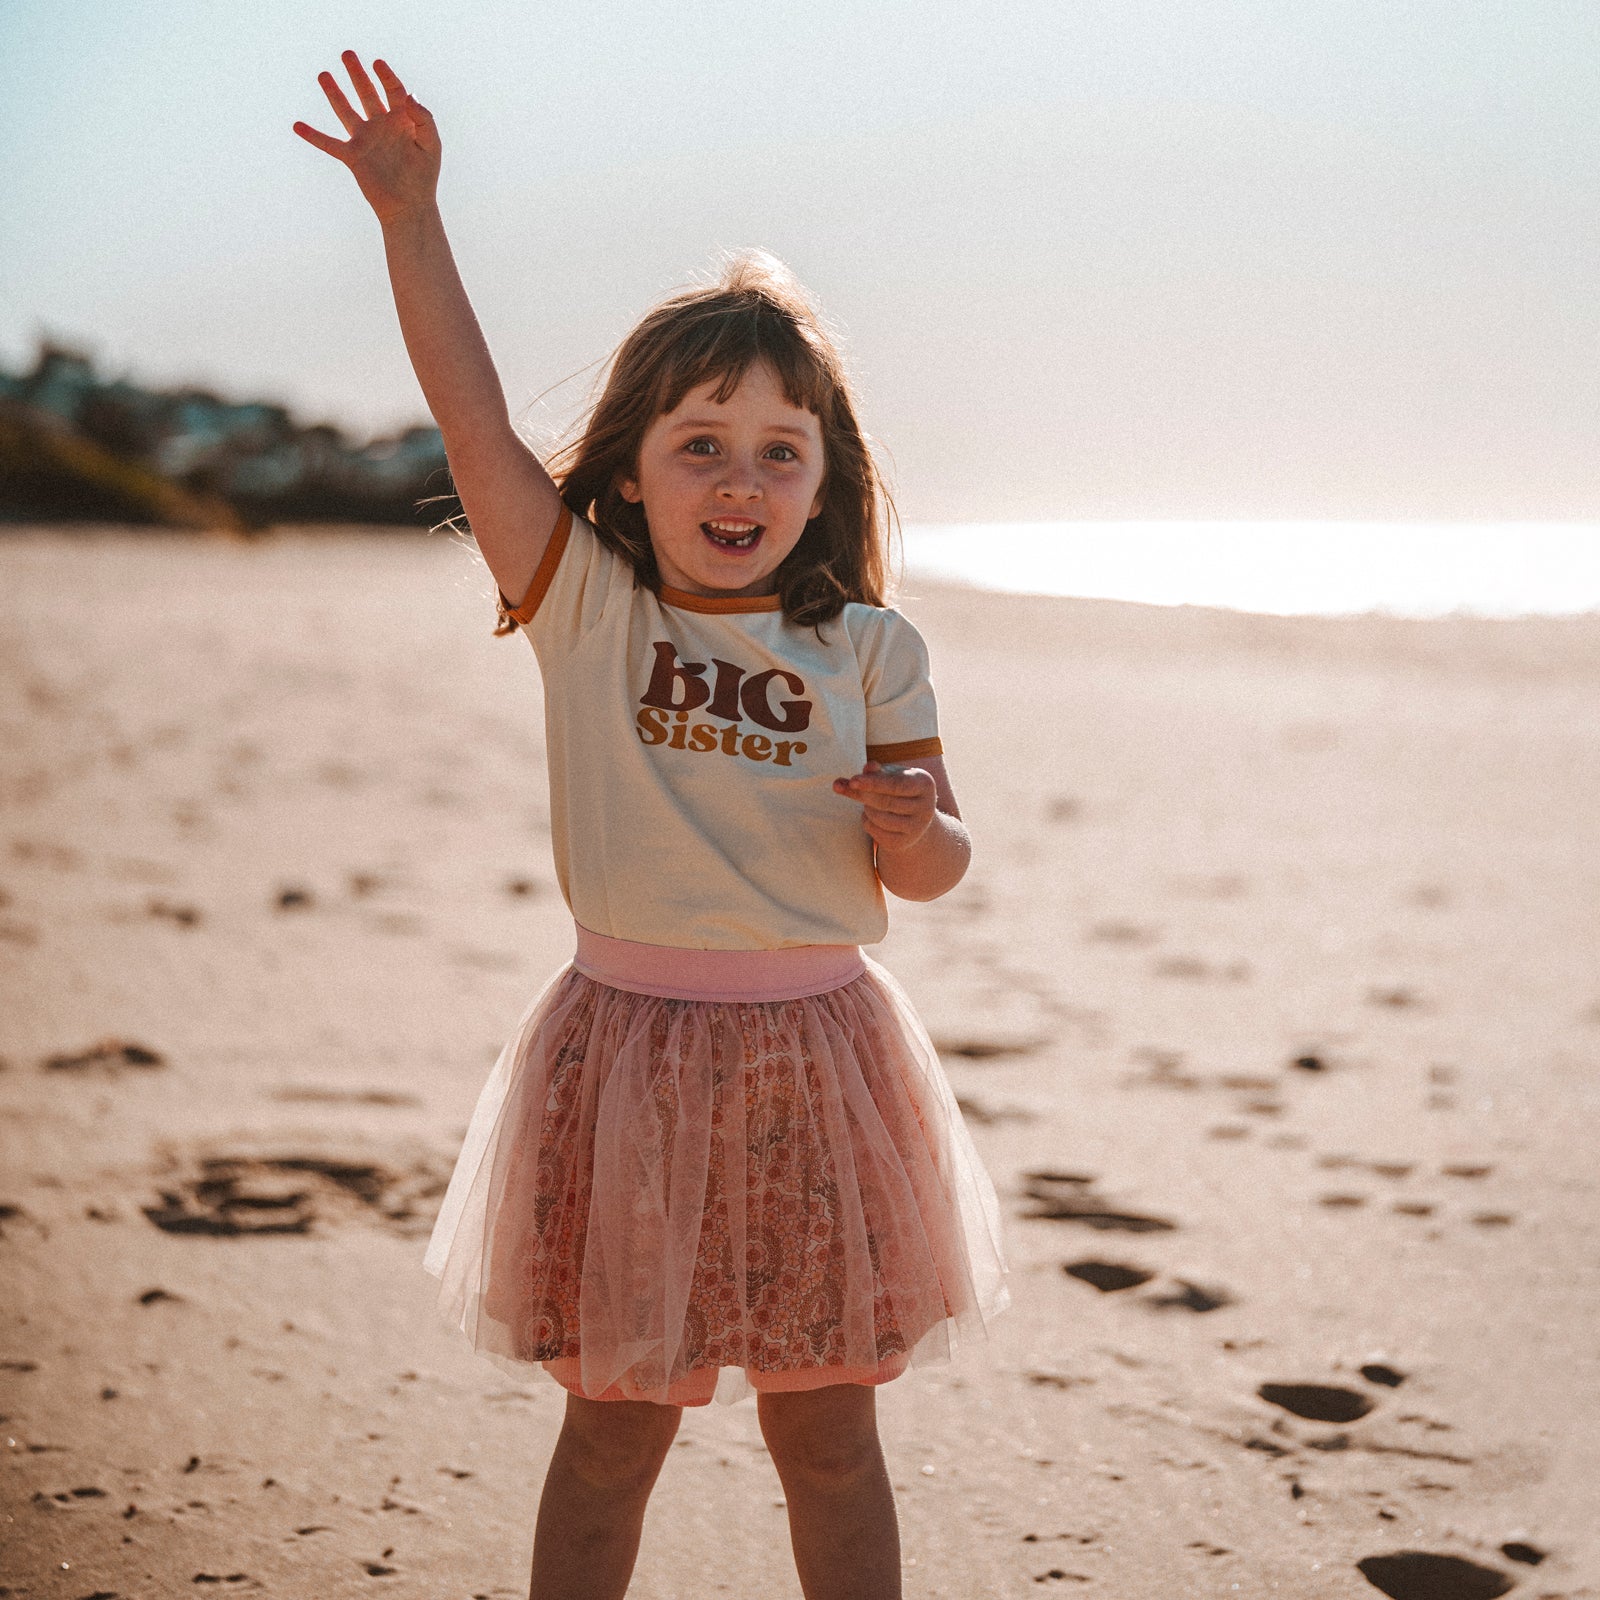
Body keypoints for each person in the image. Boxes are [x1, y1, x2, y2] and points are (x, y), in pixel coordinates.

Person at [293, 50, 1009, 1600]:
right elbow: (469, 414)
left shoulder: (868, 650)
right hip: (626, 1060)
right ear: (627, 469)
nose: (740, 478)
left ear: (826, 482)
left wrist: (907, 830)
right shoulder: (585, 607)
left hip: (823, 1068)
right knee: (612, 1440)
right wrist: (412, 217)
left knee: (830, 1444)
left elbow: (944, 863)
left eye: (779, 451)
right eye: (700, 443)